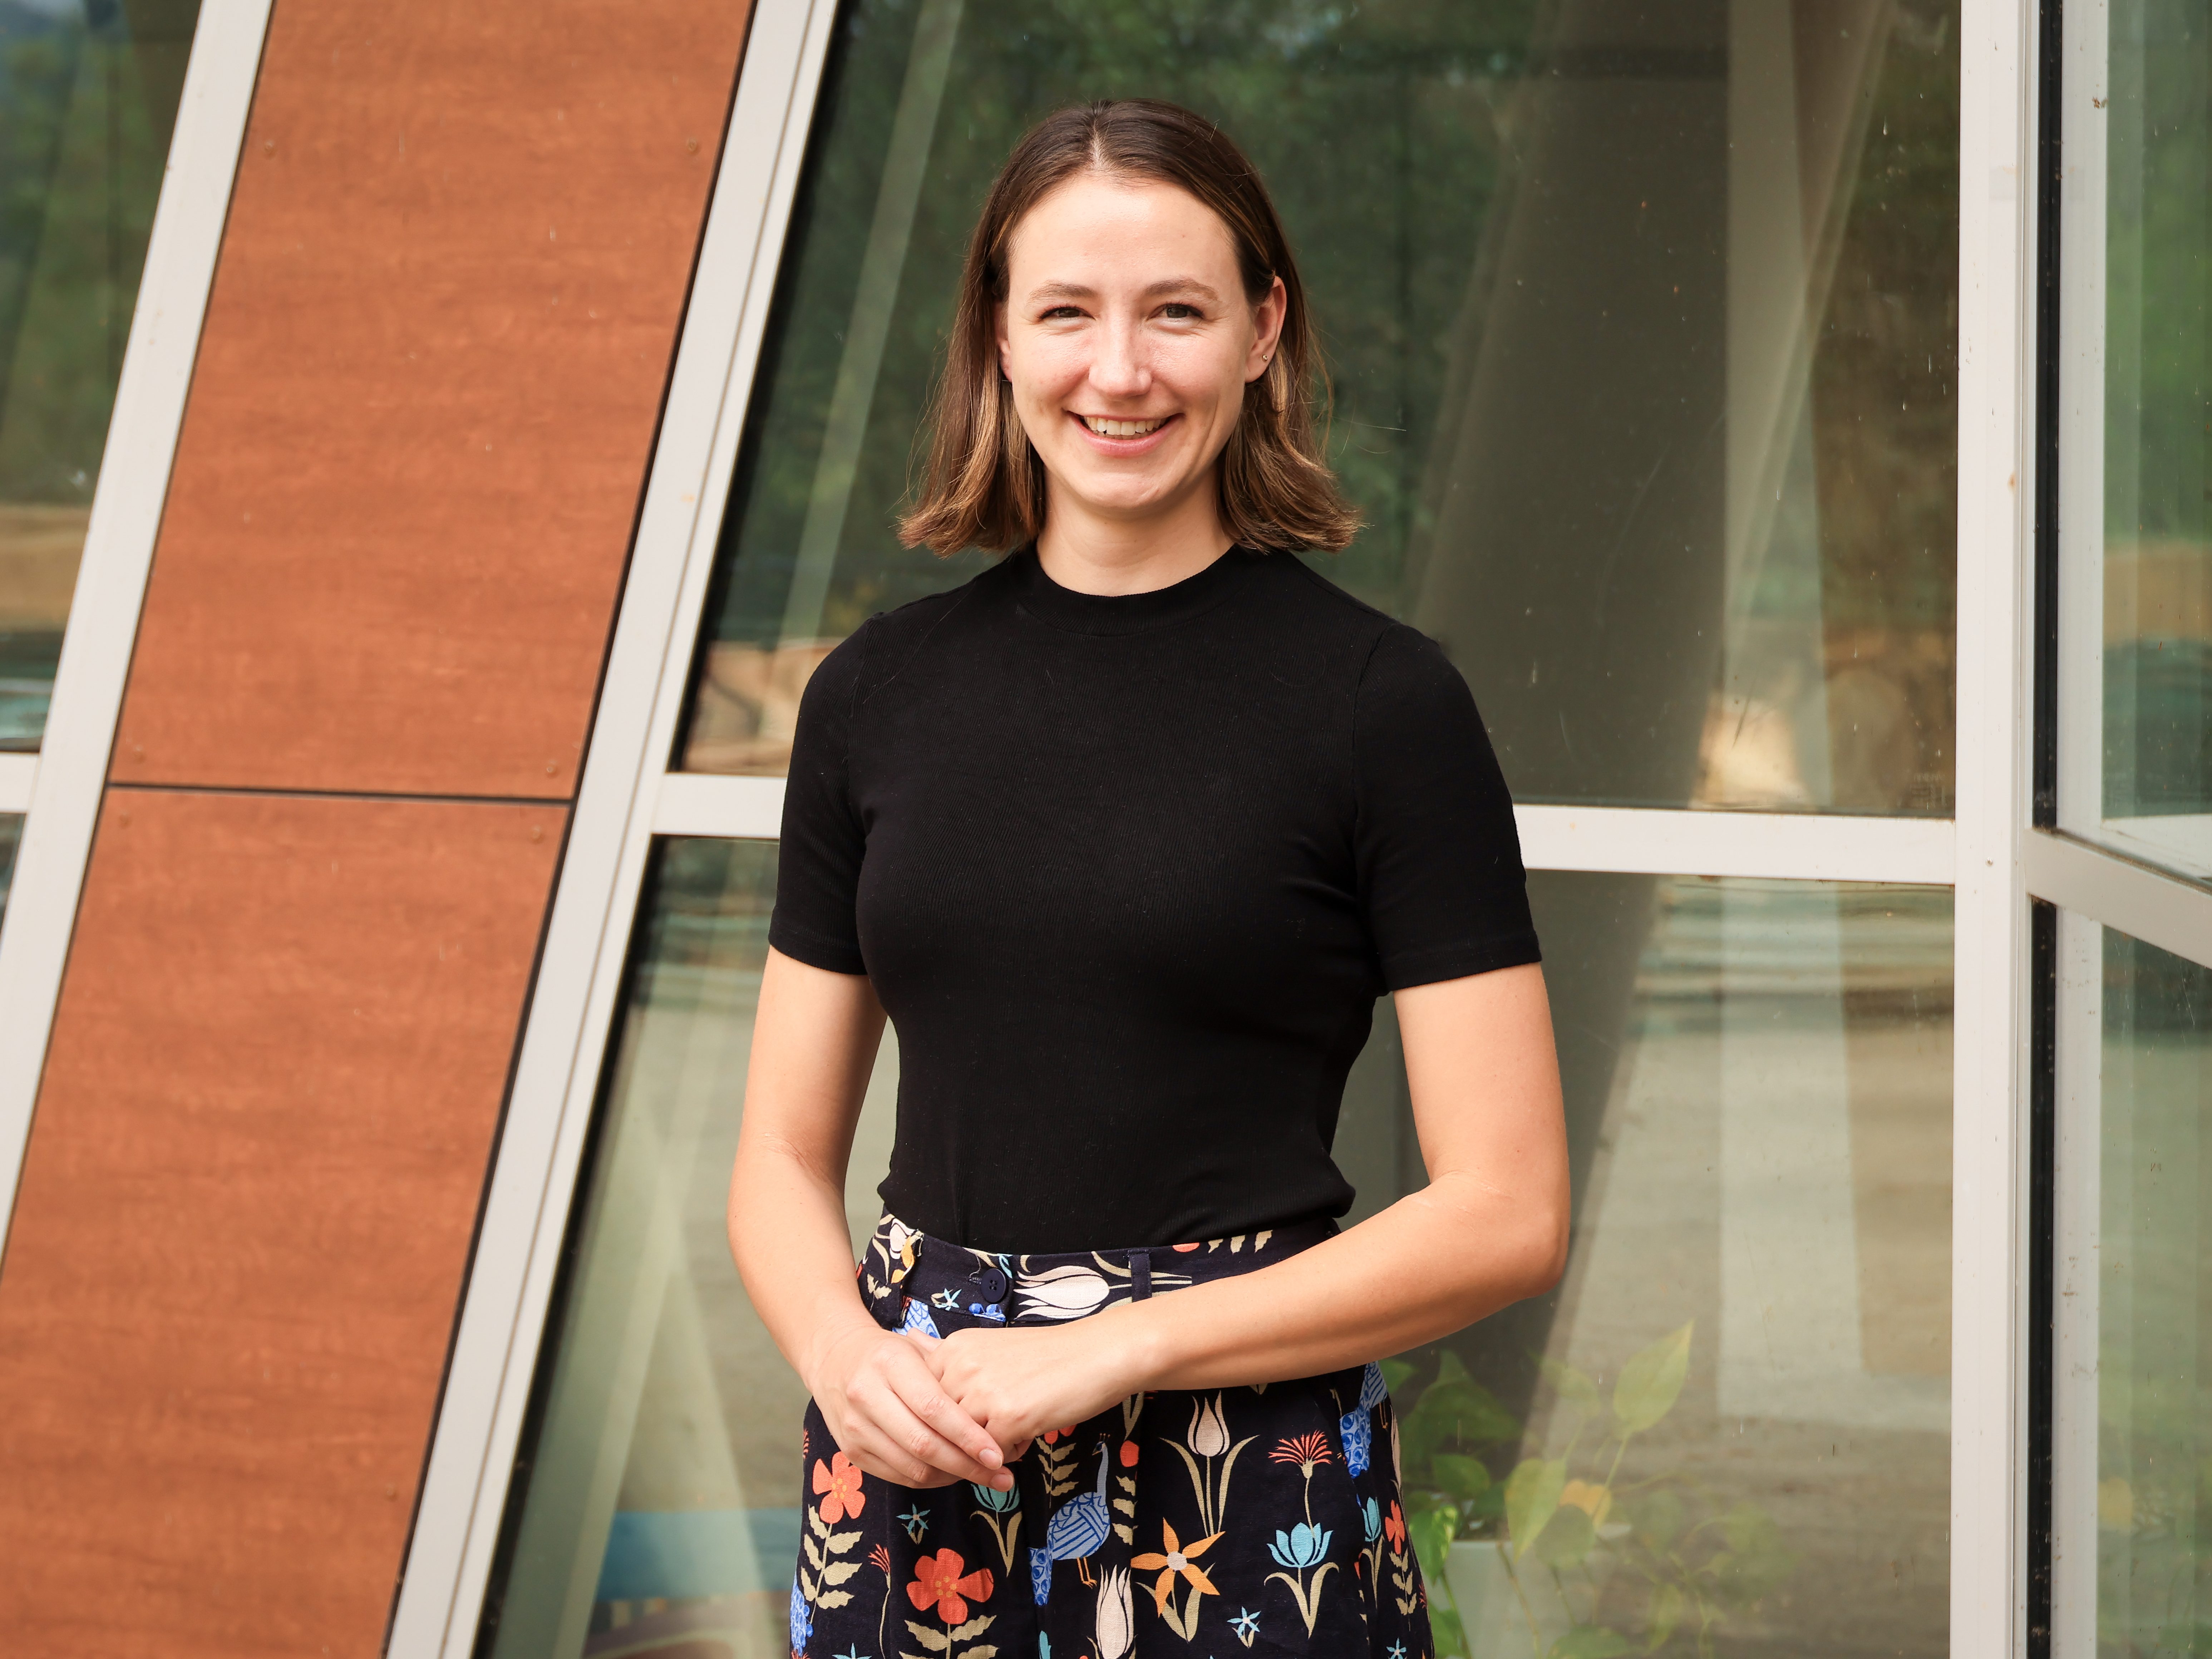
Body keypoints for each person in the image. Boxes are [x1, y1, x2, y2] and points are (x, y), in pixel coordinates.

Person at [730, 98, 1568, 1659]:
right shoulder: (871, 696)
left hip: (1248, 1475)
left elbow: (1506, 1209)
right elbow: (778, 1158)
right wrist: (845, 1357)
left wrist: (1119, 1348)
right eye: (1065, 311)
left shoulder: (1382, 707)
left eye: (1174, 311)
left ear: (1262, 330)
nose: (1116, 371)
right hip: (920, 1447)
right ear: (996, 332)